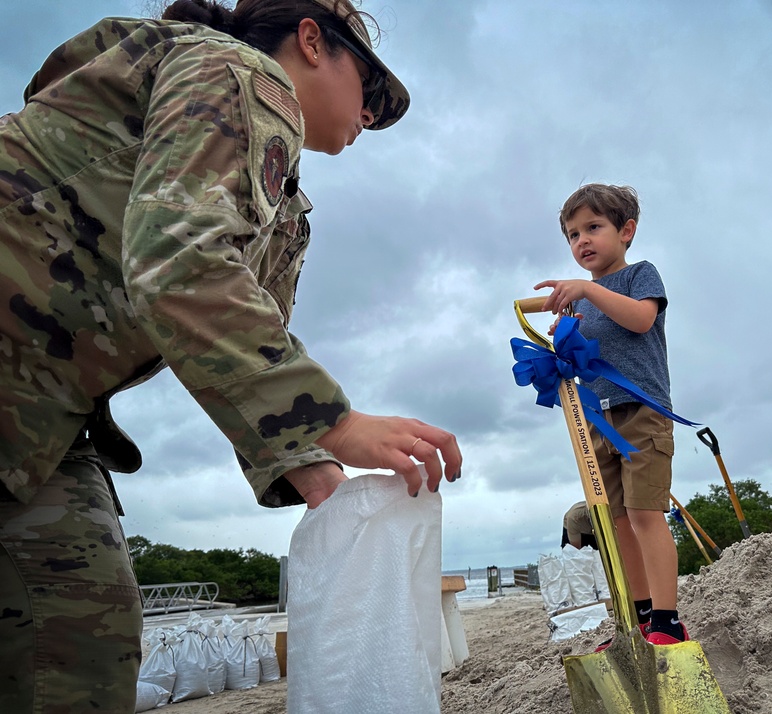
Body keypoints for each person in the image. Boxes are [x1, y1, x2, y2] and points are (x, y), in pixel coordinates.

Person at [0, 1, 462, 711]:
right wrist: (337, 422)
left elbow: (230, 336)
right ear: (311, 41)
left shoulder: (285, 212)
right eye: (367, 90)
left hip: (41, 416)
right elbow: (180, 263)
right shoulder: (233, 70)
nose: (369, 117)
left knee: (79, 627)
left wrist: (313, 467)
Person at [535, 183, 687, 647]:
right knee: (617, 522)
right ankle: (640, 620)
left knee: (645, 515)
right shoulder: (581, 300)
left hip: (642, 412)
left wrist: (586, 291)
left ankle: (667, 620)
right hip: (596, 420)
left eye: (593, 228)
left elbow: (640, 319)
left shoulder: (641, 275)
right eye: (572, 234)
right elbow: (581, 357)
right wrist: (563, 334)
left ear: (626, 231)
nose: (582, 240)